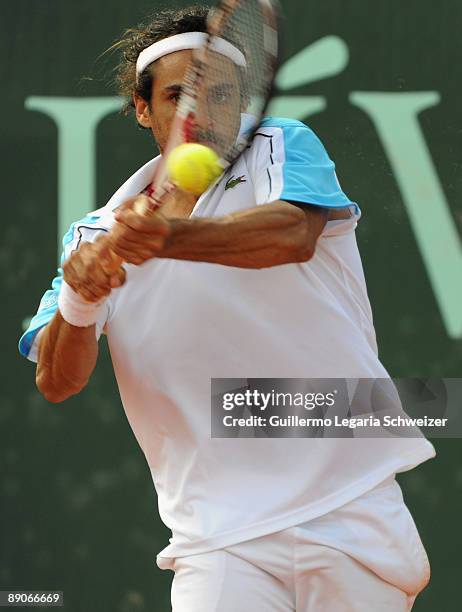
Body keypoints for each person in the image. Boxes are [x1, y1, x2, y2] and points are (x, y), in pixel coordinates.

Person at [19, 5, 435, 611]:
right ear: (143, 109)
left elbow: (291, 236)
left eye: (220, 95)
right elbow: (57, 381)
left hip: (349, 505)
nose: (202, 114)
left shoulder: (279, 146)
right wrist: (81, 301)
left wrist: (167, 239)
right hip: (215, 539)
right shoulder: (92, 235)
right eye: (179, 97)